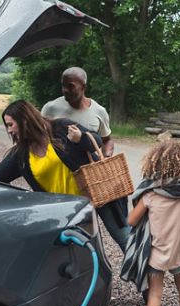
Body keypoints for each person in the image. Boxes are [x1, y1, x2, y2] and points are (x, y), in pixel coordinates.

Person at [41, 66, 129, 252]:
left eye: (70, 86)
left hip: (95, 181)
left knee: (121, 233)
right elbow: (39, 138)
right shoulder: (51, 108)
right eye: (63, 86)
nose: (65, 90)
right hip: (66, 183)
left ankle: (142, 272)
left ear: (83, 86)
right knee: (77, 237)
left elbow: (107, 141)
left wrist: (105, 157)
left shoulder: (99, 111)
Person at [121, 139, 180, 306]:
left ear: (158, 164)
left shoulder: (151, 195)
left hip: (156, 253)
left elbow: (131, 221)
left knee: (155, 293)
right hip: (179, 252)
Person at [0, 99, 101, 197]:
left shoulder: (61, 127)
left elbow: (97, 140)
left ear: (25, 121)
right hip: (61, 214)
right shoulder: (20, 155)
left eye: (10, 125)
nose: (9, 131)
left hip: (86, 207)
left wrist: (80, 138)